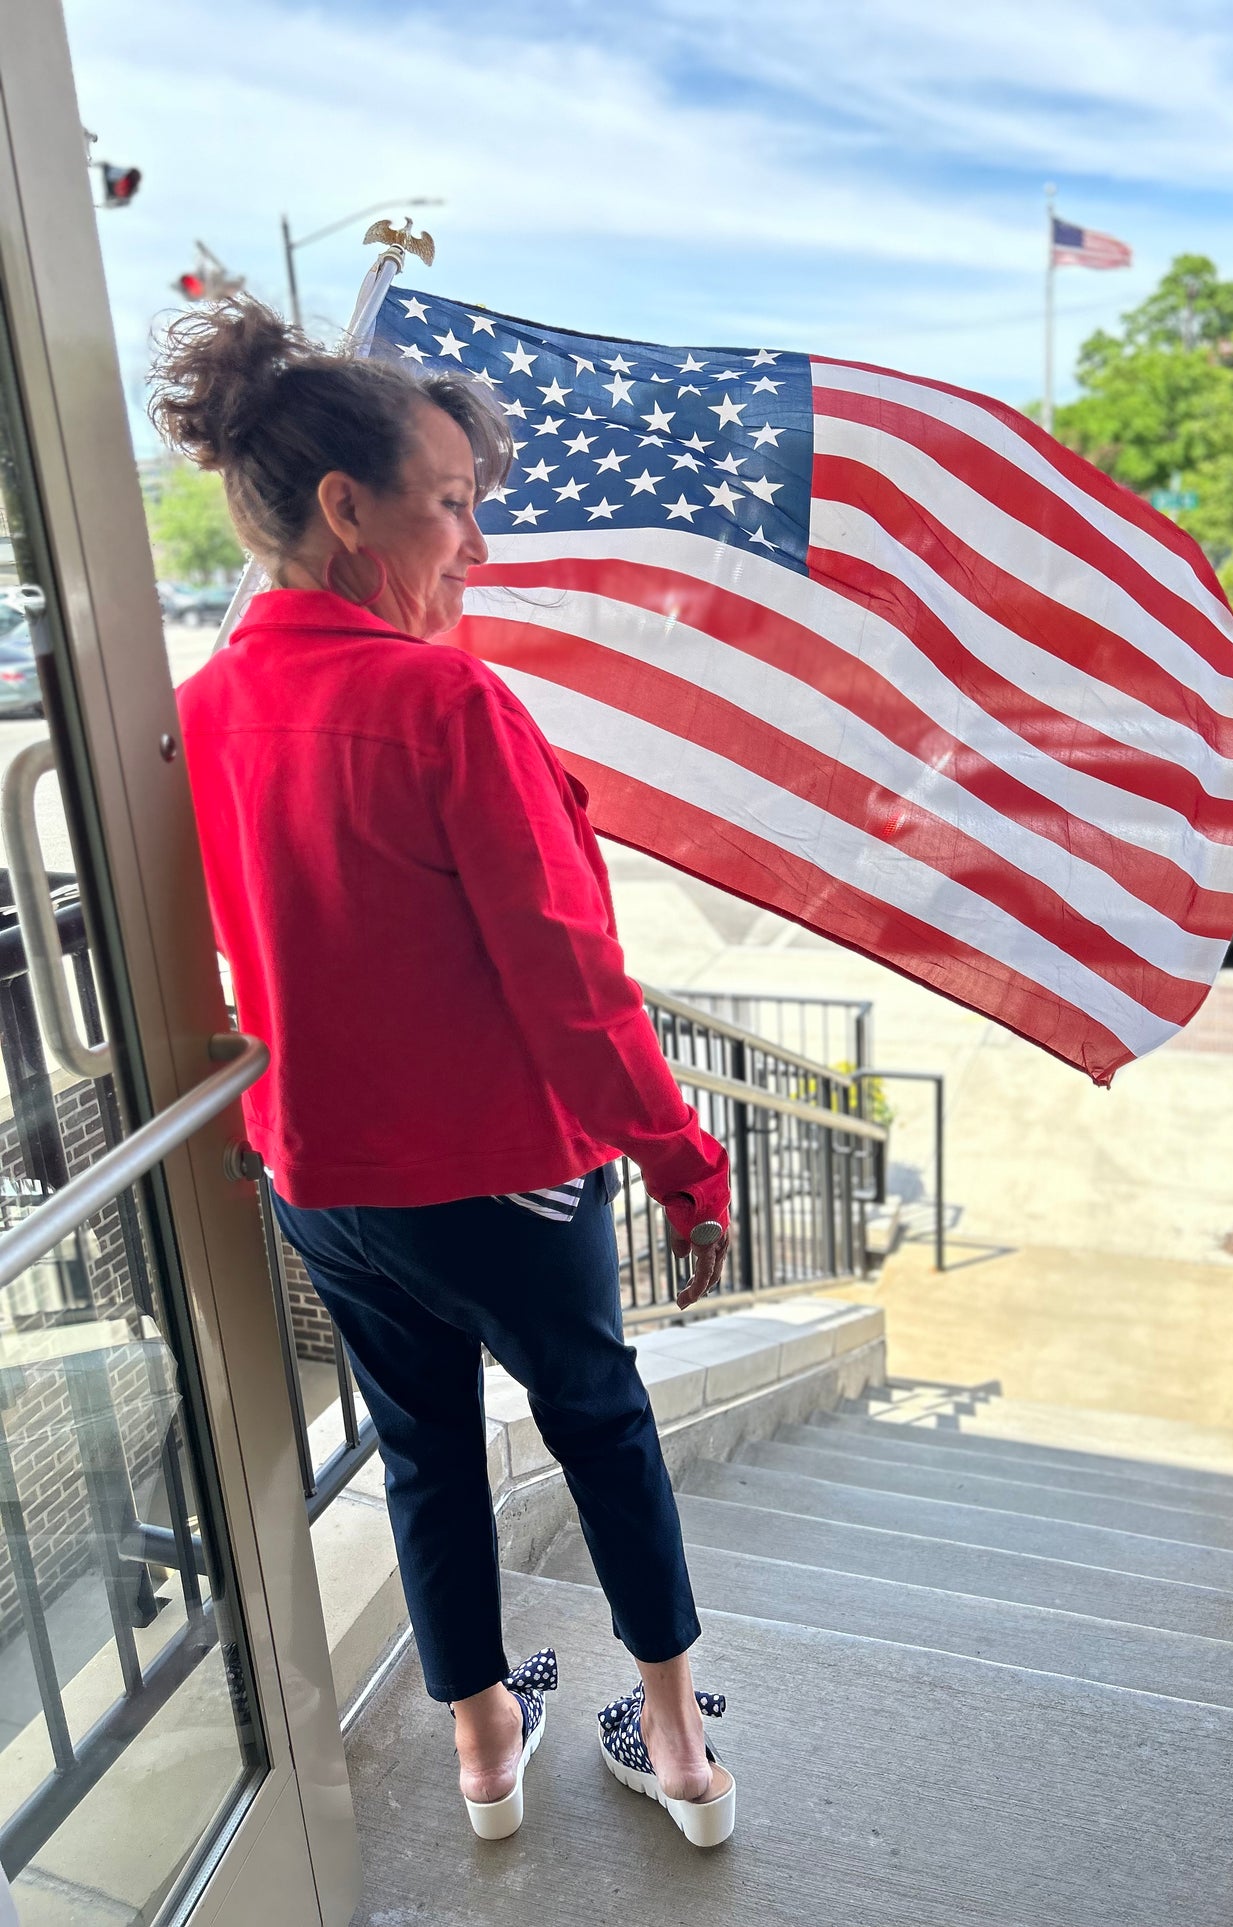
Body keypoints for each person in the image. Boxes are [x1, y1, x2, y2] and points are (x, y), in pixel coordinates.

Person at [151, 297, 736, 1848]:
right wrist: (684, 1161)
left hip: (314, 1178)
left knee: (422, 1449)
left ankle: (484, 1750)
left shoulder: (198, 712)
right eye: (454, 506)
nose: (475, 544)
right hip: (502, 1178)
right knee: (598, 1421)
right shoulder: (446, 701)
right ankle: (675, 1743)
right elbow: (571, 985)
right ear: (347, 510)